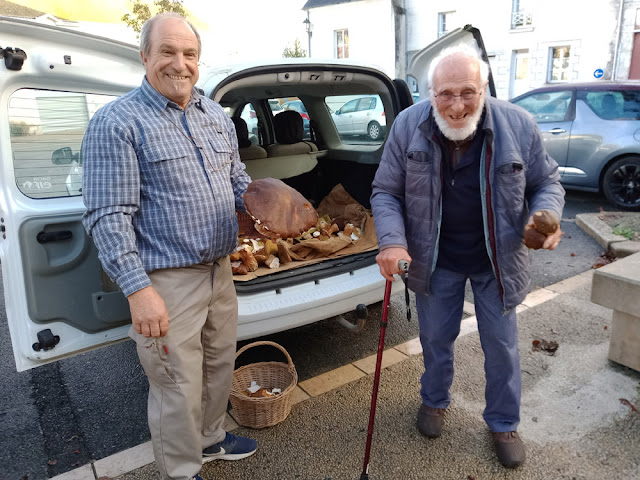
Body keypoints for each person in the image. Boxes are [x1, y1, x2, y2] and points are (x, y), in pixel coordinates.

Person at [370, 44, 564, 469]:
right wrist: (392, 241)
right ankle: (434, 400)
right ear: (430, 93)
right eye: (446, 94)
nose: (457, 106)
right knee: (435, 339)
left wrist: (543, 215)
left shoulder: (518, 124)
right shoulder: (408, 125)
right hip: (433, 257)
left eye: (468, 92)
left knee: (501, 346)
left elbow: (547, 182)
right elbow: (386, 191)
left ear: (484, 88)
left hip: (498, 260)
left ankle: (503, 423)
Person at [81, 13, 256, 480]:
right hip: (167, 279)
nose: (180, 64)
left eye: (190, 54)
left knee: (220, 363)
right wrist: (139, 291)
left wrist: (261, 199)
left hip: (221, 270)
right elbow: (108, 216)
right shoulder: (117, 123)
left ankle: (212, 439)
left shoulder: (215, 114)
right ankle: (179, 470)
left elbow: (236, 179)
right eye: (168, 52)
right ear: (144, 57)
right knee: (176, 382)